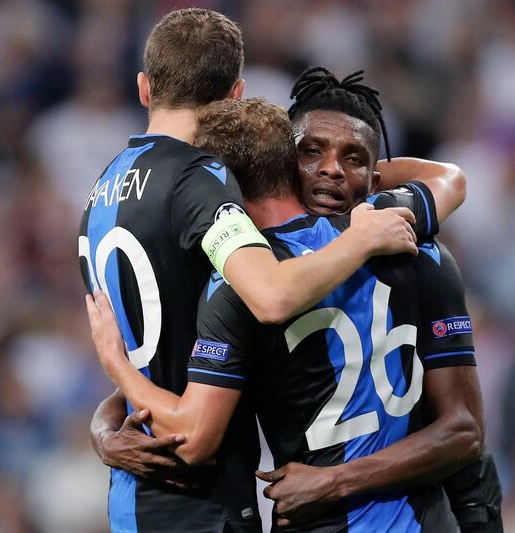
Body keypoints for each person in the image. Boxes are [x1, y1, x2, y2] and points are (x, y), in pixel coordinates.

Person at [79, 8, 466, 532]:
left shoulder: (102, 193)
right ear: (235, 94)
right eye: (314, 153)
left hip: (151, 496)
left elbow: (177, 365)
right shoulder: (405, 240)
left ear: (145, 88)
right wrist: (367, 224)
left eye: (352, 159)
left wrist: (110, 402)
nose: (332, 169)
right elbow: (269, 299)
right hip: (214, 505)